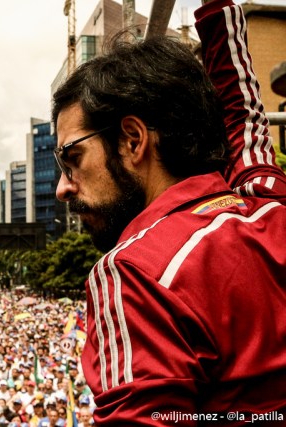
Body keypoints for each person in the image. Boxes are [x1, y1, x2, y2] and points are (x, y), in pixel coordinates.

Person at [51, 0, 286, 424]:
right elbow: (244, 118)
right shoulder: (271, 206)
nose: (63, 188)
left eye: (73, 159)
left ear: (133, 140)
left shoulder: (135, 274)